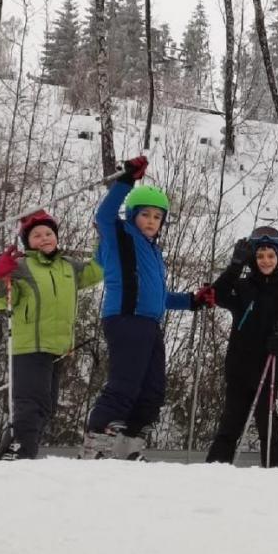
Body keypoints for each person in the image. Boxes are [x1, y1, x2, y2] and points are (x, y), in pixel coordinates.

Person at [83, 156, 208, 459]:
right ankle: (96, 444)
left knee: (152, 391)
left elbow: (158, 296)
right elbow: (104, 215)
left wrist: (192, 301)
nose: (152, 221)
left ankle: (128, 447)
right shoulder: (120, 236)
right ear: (133, 215)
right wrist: (126, 181)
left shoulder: (154, 251)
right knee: (124, 383)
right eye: (146, 215)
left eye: (157, 216)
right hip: (125, 319)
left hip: (150, 324)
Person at [0, 210, 103, 460]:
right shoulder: (21, 266)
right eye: (37, 235)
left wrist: (103, 239)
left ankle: (17, 451)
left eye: (49, 233)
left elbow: (97, 270)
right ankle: (19, 456)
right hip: (29, 347)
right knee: (31, 405)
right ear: (27, 241)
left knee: (45, 407)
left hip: (57, 349)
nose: (45, 238)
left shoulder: (68, 266)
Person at [197, 227, 278, 468]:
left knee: (268, 425)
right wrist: (234, 266)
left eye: (271, 256)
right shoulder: (242, 287)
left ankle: (277, 474)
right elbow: (217, 295)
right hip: (240, 367)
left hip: (269, 367)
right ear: (253, 258)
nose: (265, 261)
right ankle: (213, 471)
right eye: (260, 256)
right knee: (230, 423)